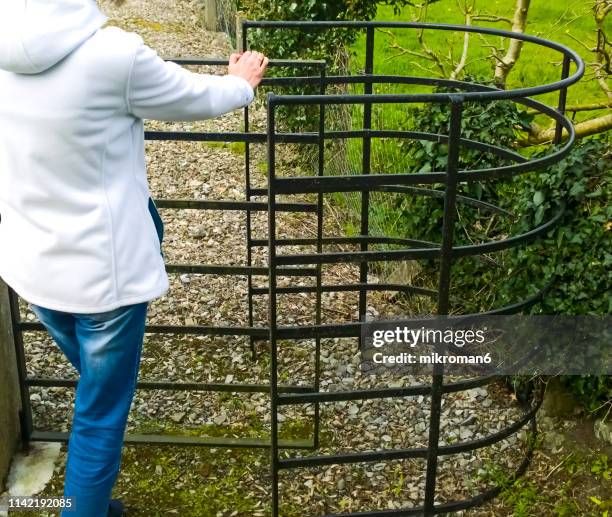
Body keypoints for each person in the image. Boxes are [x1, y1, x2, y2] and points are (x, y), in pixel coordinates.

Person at [0, 0, 269, 515]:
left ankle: (92, 501)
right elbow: (190, 96)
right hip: (103, 275)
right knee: (100, 415)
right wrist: (240, 83)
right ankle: (86, 509)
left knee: (98, 387)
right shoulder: (112, 55)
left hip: (33, 267)